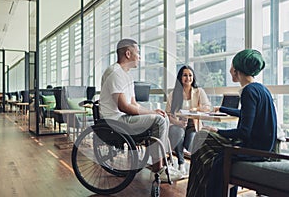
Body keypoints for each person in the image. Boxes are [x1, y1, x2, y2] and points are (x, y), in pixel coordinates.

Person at [186, 49, 277, 197]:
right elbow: (248, 115)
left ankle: (199, 192)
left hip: (252, 150)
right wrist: (222, 109)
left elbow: (243, 132)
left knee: (201, 137)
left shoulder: (248, 91)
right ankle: (209, 188)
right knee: (203, 142)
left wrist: (217, 130)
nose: (229, 70)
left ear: (237, 70)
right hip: (265, 147)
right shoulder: (260, 89)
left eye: (231, 66)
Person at [99, 38, 182, 184]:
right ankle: (158, 169)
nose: (140, 57)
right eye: (138, 53)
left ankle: (165, 163)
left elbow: (133, 104)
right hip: (114, 120)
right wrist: (152, 115)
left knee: (162, 116)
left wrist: (152, 111)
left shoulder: (127, 75)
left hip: (122, 117)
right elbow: (124, 106)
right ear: (128, 53)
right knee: (159, 120)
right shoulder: (114, 72)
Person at [165, 65, 211, 174]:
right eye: (185, 75)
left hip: (193, 124)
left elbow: (207, 107)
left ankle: (181, 161)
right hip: (177, 123)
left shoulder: (199, 92)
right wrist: (177, 122)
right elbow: (167, 113)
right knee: (177, 133)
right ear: (180, 78)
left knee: (189, 143)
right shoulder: (174, 93)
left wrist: (195, 109)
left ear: (193, 77)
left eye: (190, 75)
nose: (188, 78)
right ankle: (181, 163)